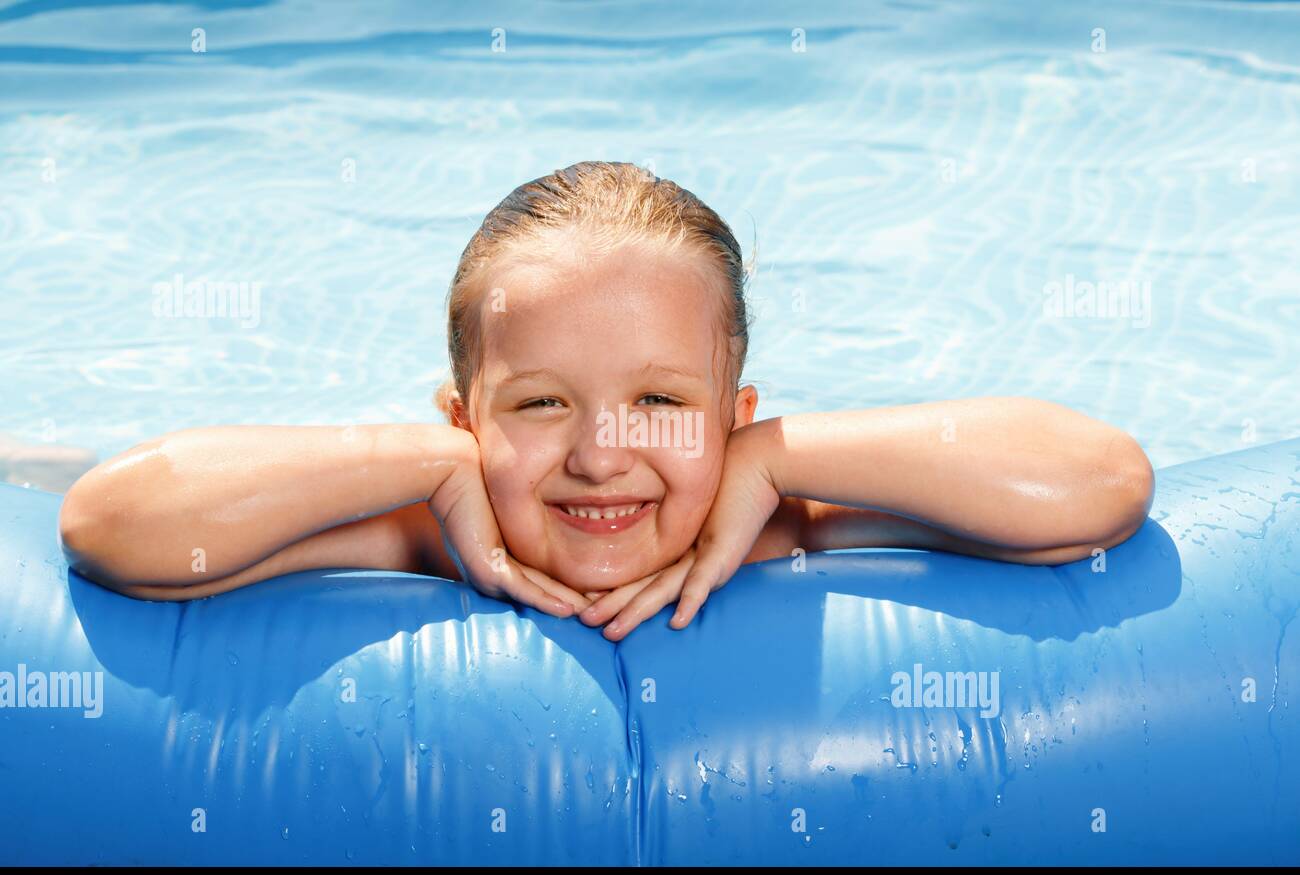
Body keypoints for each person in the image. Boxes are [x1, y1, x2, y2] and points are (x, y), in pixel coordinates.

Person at [58, 161, 1154, 641]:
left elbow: (1099, 481)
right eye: (537, 404)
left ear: (734, 418)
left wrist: (772, 458)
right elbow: (111, 522)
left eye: (660, 400)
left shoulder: (782, 524)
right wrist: (419, 465)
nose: (600, 454)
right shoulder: (415, 536)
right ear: (461, 423)